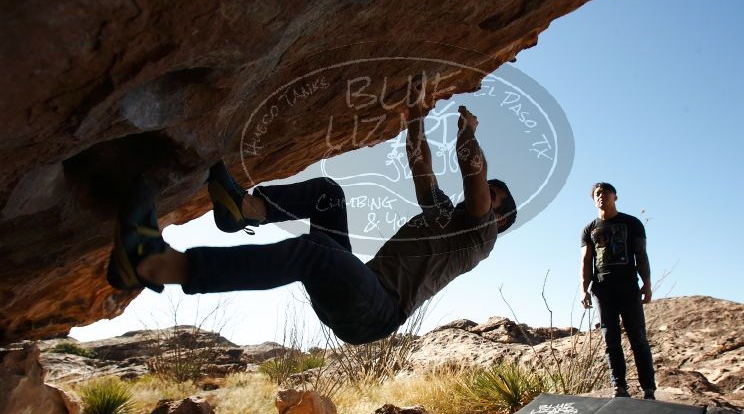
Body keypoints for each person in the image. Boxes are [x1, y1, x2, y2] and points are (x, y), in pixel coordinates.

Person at [107, 80, 517, 345]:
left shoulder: (479, 239)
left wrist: (468, 133)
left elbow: (473, 175)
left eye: (493, 196)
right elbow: (420, 164)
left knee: (312, 253)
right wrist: (415, 116)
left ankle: (157, 266)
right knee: (328, 195)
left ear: (498, 220)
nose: (484, 194)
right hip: (359, 284)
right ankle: (241, 209)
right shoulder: (442, 212)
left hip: (376, 313)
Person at [580, 182, 656, 399]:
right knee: (610, 338)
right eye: (597, 194)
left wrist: (647, 283)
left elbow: (641, 254)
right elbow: (585, 261)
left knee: (637, 337)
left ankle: (648, 388)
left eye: (605, 192)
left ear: (615, 196)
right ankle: (619, 386)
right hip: (602, 289)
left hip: (628, 286)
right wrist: (583, 289)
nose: (601, 196)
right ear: (593, 199)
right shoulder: (590, 229)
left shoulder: (632, 223)